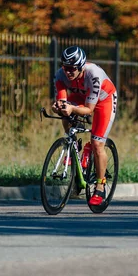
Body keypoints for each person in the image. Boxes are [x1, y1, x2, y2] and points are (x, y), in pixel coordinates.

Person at [51, 46, 118, 206]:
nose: (68, 72)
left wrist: (72, 108)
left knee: (97, 143)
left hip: (104, 100)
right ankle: (71, 143)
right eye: (65, 67)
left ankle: (100, 186)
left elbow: (88, 110)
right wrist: (59, 106)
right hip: (81, 95)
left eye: (72, 69)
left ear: (81, 66)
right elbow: (62, 100)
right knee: (64, 109)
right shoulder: (60, 75)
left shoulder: (93, 74)